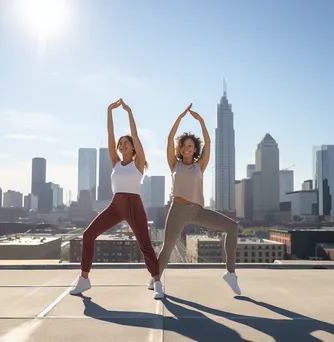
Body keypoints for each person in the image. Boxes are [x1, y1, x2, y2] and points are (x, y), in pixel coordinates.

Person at [70, 99, 163, 299]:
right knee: (88, 235)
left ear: (133, 148)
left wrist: (129, 112)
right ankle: (84, 279)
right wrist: (109, 111)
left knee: (145, 245)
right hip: (115, 205)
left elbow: (136, 135)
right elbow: (110, 135)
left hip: (133, 205)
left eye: (125, 143)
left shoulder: (138, 164)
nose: (121, 145)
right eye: (120, 144)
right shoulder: (116, 163)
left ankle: (157, 282)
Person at [149, 103, 241, 295]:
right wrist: (180, 118)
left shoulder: (200, 165)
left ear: (194, 148)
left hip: (198, 211)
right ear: (180, 149)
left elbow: (208, 142)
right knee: (168, 247)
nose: (187, 148)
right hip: (178, 210)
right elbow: (168, 138)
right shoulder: (174, 164)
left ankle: (230, 274)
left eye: (190, 145)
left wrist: (200, 121)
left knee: (232, 227)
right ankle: (156, 281)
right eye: (183, 146)